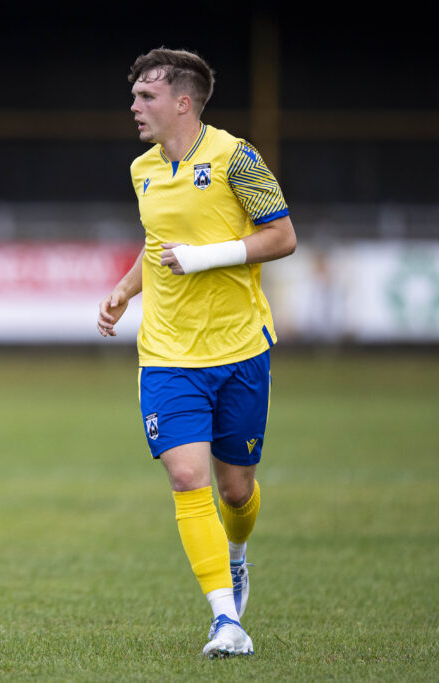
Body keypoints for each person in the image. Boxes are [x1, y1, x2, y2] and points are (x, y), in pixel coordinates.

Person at [97, 47, 296, 658]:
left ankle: (237, 559)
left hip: (239, 349)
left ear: (183, 103)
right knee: (188, 478)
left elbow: (282, 237)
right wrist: (126, 290)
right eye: (134, 96)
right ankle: (224, 622)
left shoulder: (238, 157)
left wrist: (206, 256)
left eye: (146, 97)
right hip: (167, 353)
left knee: (235, 491)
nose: (134, 106)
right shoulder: (142, 170)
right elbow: (158, 243)